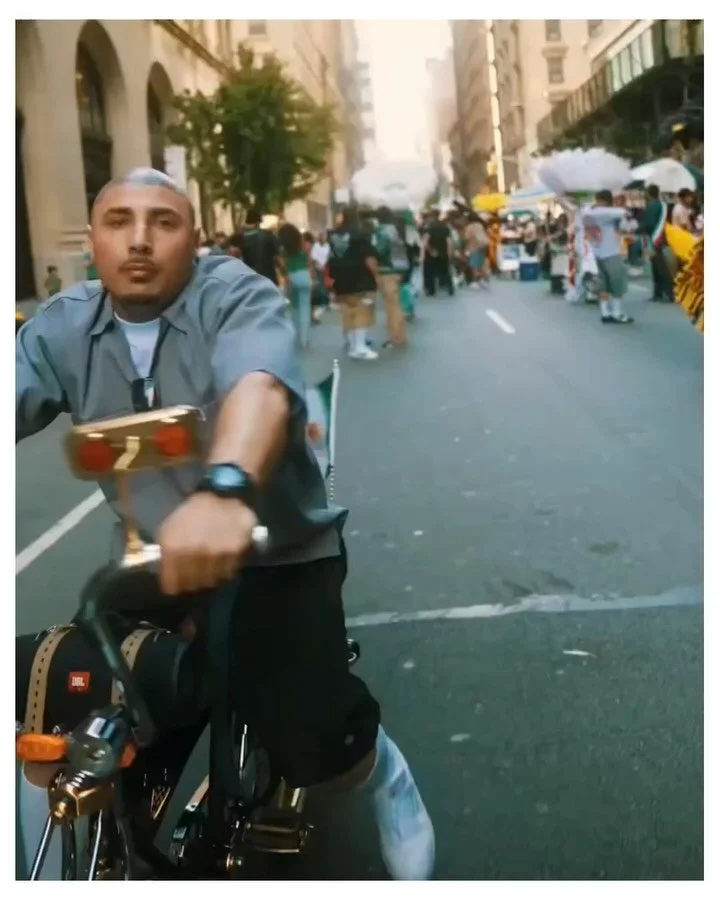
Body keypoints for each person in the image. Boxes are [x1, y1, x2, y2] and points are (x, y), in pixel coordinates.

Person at [15, 168, 434, 880]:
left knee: (312, 737)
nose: (140, 240)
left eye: (163, 221)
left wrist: (227, 488)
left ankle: (381, 771)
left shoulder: (236, 296)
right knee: (55, 687)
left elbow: (261, 388)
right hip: (152, 556)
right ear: (92, 239)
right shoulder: (61, 327)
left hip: (276, 551)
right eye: (119, 221)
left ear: (195, 238)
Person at [327, 207, 380, 361]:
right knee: (362, 311)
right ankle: (360, 347)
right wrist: (376, 276)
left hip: (340, 278)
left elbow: (331, 256)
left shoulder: (334, 234)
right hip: (360, 277)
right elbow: (369, 258)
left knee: (347, 312)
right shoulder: (361, 234)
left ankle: (352, 345)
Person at [582, 190, 634, 324]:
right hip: (611, 253)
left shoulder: (587, 213)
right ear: (608, 201)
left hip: (597, 253)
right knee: (618, 283)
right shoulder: (604, 213)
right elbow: (625, 213)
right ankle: (617, 313)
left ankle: (605, 313)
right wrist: (624, 210)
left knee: (603, 284)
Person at [372, 206, 409, 348]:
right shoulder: (394, 230)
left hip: (386, 271)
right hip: (398, 269)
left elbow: (379, 250)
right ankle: (400, 336)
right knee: (395, 305)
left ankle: (396, 338)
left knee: (391, 307)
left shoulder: (382, 232)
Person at [277, 222, 314, 350]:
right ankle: (304, 340)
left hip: (292, 276)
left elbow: (283, 266)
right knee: (305, 308)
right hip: (304, 275)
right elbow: (309, 262)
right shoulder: (303, 243)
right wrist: (312, 278)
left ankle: (294, 337)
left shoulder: (282, 249)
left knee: (294, 309)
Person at [640, 184, 673, 303]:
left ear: (648, 193)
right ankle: (659, 293)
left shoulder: (652, 206)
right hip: (660, 238)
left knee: (659, 267)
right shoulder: (661, 205)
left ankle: (669, 293)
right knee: (657, 266)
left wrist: (639, 230)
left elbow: (649, 223)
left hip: (654, 239)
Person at [239, 208, 281, 285]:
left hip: (250, 280)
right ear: (258, 222)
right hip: (269, 279)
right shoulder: (268, 234)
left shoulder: (240, 238)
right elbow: (277, 258)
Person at [422, 209, 453, 297]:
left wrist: (429, 251)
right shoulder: (445, 227)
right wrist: (449, 252)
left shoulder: (428, 227)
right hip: (443, 252)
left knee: (430, 272)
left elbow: (426, 241)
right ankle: (450, 287)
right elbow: (449, 242)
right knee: (445, 270)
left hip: (431, 254)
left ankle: (431, 290)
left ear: (431, 216)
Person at [465, 214, 490, 289]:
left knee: (474, 265)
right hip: (483, 246)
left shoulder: (469, 227)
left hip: (474, 247)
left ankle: (475, 281)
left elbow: (468, 238)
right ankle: (484, 279)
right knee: (481, 263)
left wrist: (467, 248)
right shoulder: (480, 225)